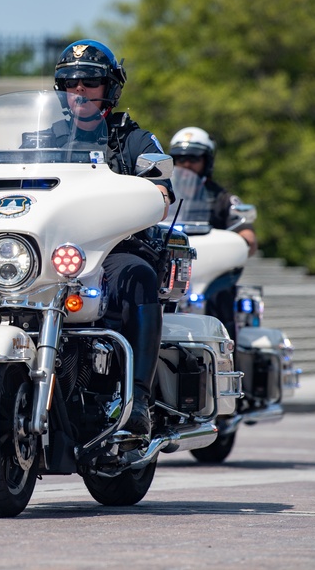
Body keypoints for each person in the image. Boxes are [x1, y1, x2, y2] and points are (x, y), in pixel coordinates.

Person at [49, 39, 172, 438]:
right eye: (70, 82)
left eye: (89, 81)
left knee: (138, 274)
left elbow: (161, 193)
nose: (79, 89)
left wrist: (150, 194)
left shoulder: (134, 139)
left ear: (110, 89)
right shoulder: (44, 139)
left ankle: (137, 399)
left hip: (112, 251)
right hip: (52, 255)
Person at [169, 126, 257, 341]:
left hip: (208, 274)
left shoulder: (223, 198)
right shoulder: (163, 196)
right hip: (170, 269)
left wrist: (238, 243)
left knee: (222, 298)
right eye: (180, 159)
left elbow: (249, 239)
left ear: (206, 161)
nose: (186, 164)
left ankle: (226, 356)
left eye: (194, 158)